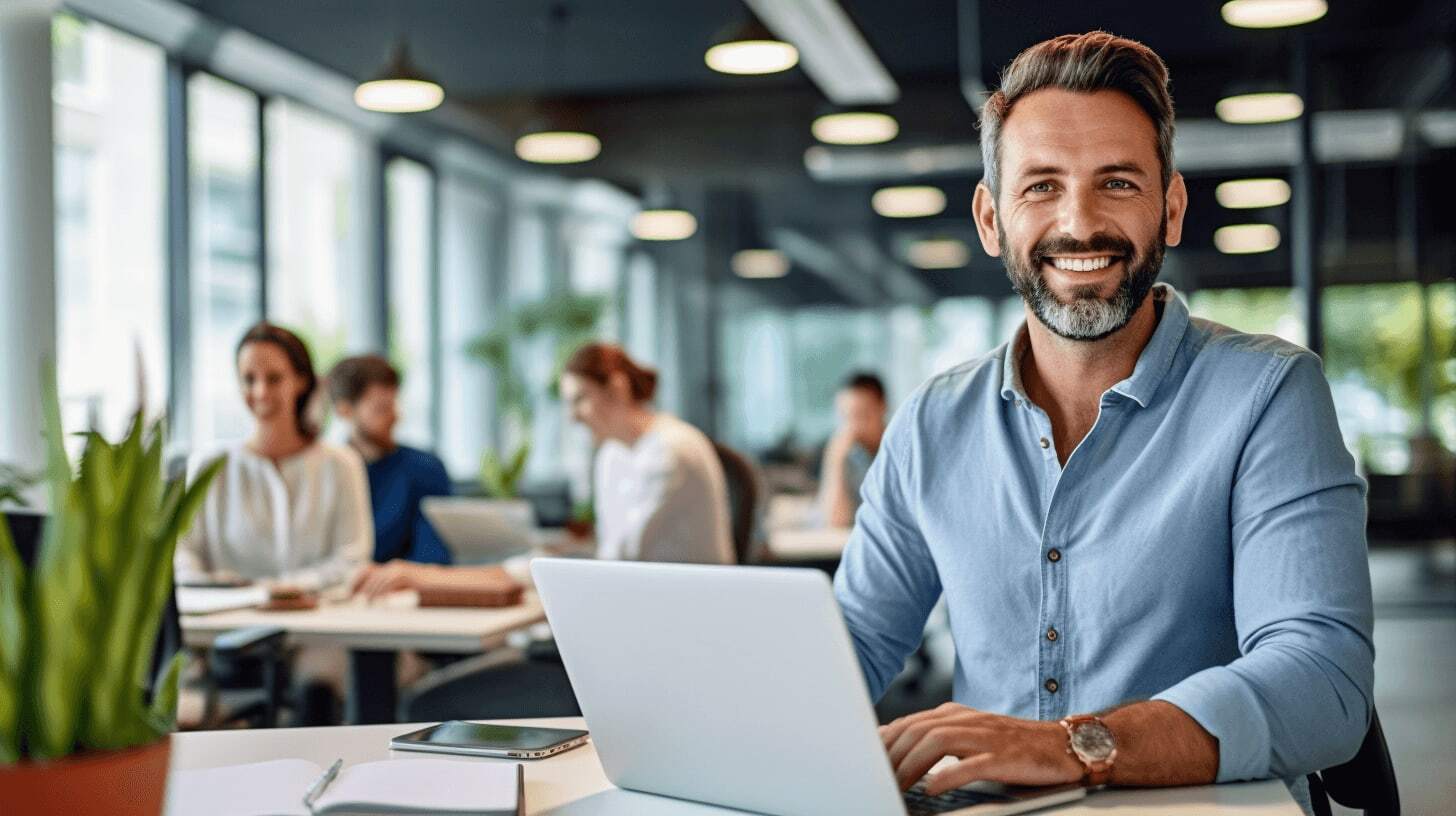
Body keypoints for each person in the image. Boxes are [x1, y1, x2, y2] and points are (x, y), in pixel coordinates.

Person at [834, 31, 1373, 811]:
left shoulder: (1268, 395)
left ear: (1173, 207)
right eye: (1041, 186)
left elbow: (1323, 682)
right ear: (991, 220)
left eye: (1117, 182)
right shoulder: (931, 424)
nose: (1079, 223)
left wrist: (1067, 747)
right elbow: (853, 639)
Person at [176, 322, 372, 590]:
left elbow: (352, 560)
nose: (260, 392)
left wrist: (282, 590)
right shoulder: (209, 466)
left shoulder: (341, 464)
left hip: (320, 621)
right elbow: (183, 555)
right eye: (249, 379)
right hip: (224, 622)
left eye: (274, 378)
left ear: (301, 381)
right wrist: (216, 585)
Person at [560, 342, 734, 565]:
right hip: (643, 590)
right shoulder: (610, 455)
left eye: (580, 399)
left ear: (617, 388)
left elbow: (627, 550)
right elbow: (610, 548)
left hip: (692, 595)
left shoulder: (673, 449)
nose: (572, 417)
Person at [327, 355, 453, 566]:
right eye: (381, 408)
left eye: (394, 404)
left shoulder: (425, 469)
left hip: (406, 591)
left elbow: (434, 556)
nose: (395, 416)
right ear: (345, 411)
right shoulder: (327, 472)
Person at [817, 372, 888, 527]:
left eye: (861, 415)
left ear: (883, 407)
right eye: (845, 416)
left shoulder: (899, 450)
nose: (853, 426)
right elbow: (835, 520)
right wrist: (835, 461)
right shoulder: (846, 454)